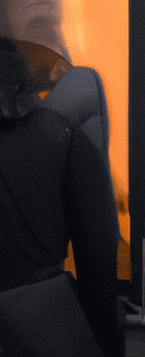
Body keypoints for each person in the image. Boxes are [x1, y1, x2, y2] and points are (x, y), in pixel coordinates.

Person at [0, 37, 121, 357]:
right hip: (45, 323)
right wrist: (108, 342)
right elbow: (98, 255)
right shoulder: (62, 135)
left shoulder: (64, 134)